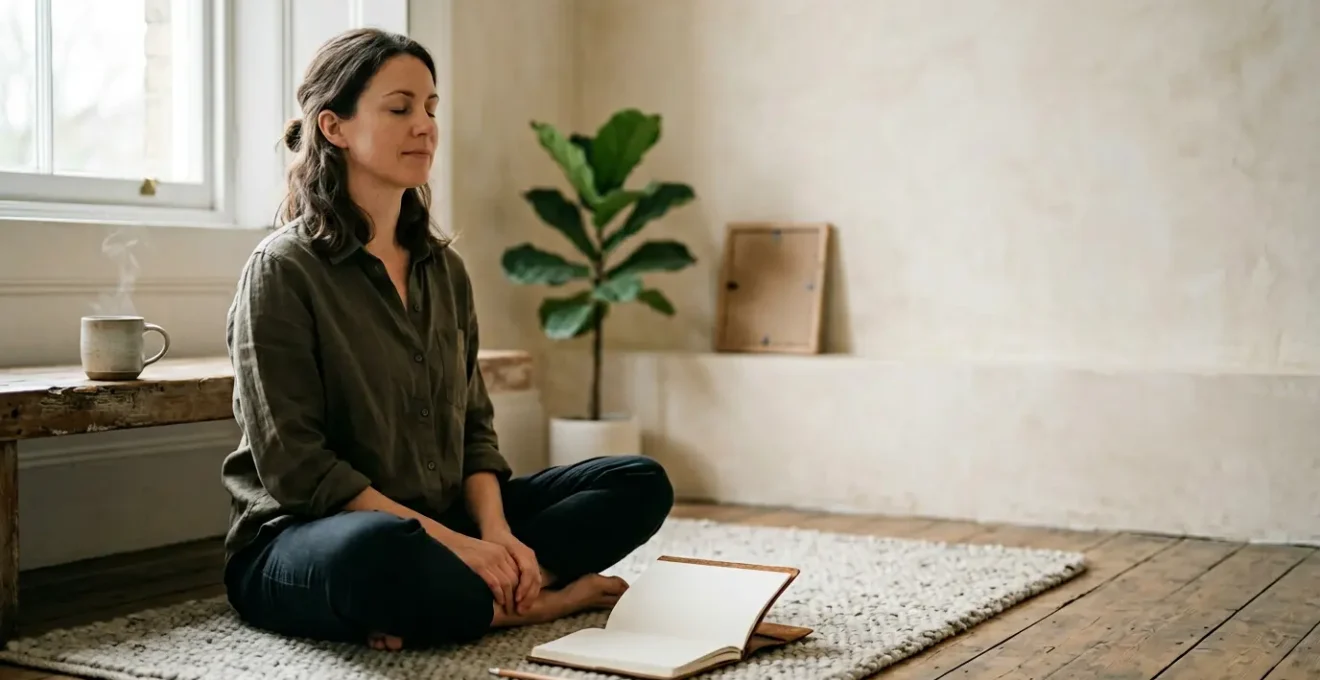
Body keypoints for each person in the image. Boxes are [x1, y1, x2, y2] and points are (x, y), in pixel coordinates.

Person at [220, 27, 674, 652]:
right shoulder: (282, 270)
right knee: (375, 556)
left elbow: (475, 434)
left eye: (431, 108)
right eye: (400, 108)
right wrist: (462, 547)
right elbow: (298, 469)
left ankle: (480, 595)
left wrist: (496, 535)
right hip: (312, 535)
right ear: (335, 127)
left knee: (638, 481)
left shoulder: (444, 270)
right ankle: (524, 604)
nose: (425, 126)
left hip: (444, 521)